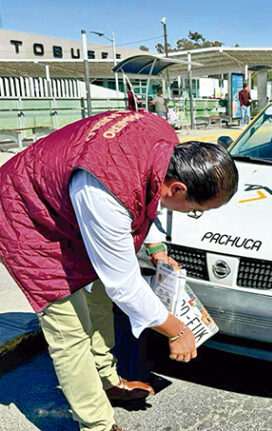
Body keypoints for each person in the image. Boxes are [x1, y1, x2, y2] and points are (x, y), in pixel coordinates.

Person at [0, 111, 239, 431]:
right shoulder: (105, 191)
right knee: (69, 330)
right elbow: (124, 284)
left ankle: (107, 379)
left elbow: (149, 193)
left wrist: (155, 247)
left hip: (66, 204)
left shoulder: (162, 140)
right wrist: (177, 330)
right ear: (179, 188)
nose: (192, 214)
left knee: (98, 295)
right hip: (26, 218)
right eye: (196, 211)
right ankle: (96, 423)